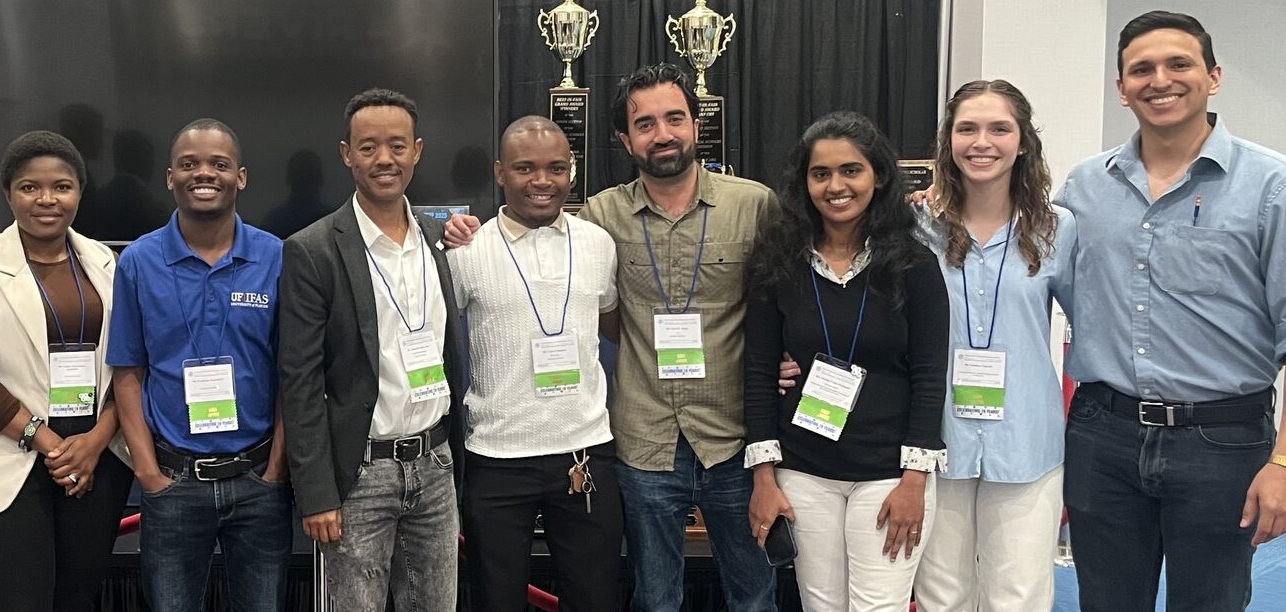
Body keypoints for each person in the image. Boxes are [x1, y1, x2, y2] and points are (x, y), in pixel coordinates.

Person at [447, 64, 780, 612]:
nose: (663, 133)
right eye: (645, 124)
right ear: (626, 140)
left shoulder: (753, 206)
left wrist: (785, 357)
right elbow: (605, 317)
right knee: (653, 599)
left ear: (696, 125)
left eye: (674, 118)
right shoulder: (600, 217)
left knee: (753, 596)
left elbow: (787, 298)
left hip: (729, 439)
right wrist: (460, 233)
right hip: (638, 442)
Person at [1057, 11, 1286, 611]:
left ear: (1213, 77)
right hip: (1102, 435)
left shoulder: (1277, 187)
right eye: (1141, 69)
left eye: (1178, 64)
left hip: (1221, 442)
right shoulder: (1083, 189)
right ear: (1122, 88)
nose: (1160, 79)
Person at [742, 111, 949, 612]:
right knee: (820, 606)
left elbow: (928, 377)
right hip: (804, 472)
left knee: (878, 606)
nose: (836, 185)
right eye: (821, 173)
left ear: (877, 176)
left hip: (887, 477)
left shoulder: (914, 265)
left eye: (850, 170)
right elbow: (756, 372)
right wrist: (764, 478)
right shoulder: (778, 261)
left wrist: (914, 481)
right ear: (803, 182)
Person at [278, 88, 467, 611]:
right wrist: (316, 494)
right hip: (359, 474)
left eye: (397, 146)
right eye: (368, 148)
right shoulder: (312, 249)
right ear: (346, 154)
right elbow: (299, 380)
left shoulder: (440, 241)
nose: (384, 159)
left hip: (435, 465)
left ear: (418, 150)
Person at [0, 131, 134, 612]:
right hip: (8, 460)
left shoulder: (108, 262)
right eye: (30, 187)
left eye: (62, 187)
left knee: (75, 601)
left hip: (95, 464)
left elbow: (128, 363)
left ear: (79, 193)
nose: (46, 199)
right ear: (8, 193)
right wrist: (48, 443)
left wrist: (94, 441)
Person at [109, 118, 292, 611]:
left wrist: (276, 469)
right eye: (189, 164)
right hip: (174, 482)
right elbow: (128, 373)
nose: (203, 173)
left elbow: (291, 374)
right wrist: (149, 475)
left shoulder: (276, 257)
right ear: (170, 177)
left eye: (219, 164)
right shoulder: (138, 262)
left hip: (259, 481)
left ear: (242, 177)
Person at [908, 80, 1077, 612]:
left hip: (1026, 439)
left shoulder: (1057, 229)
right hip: (936, 437)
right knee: (941, 594)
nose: (983, 142)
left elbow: (1092, 325)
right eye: (968, 129)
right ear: (948, 141)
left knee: (1019, 594)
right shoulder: (916, 226)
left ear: (1023, 141)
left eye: (1000, 128)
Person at [448, 116, 624, 612]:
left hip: (585, 454)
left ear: (571, 171)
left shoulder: (599, 245)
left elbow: (613, 324)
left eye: (555, 168)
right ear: (501, 172)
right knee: (496, 601)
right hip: (496, 457)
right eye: (526, 168)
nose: (542, 181)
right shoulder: (466, 249)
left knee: (594, 600)